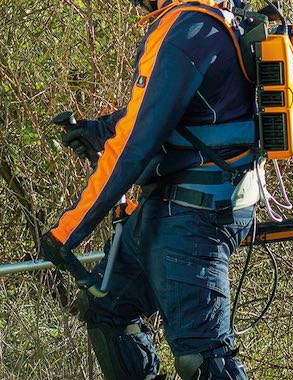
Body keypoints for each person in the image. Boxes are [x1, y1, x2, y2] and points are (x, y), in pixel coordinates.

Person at [40, 0, 258, 378]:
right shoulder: (210, 19)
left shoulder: (185, 29)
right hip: (173, 210)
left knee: (204, 359)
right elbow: (158, 111)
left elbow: (134, 147)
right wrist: (99, 131)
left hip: (193, 217)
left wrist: (68, 231)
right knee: (107, 311)